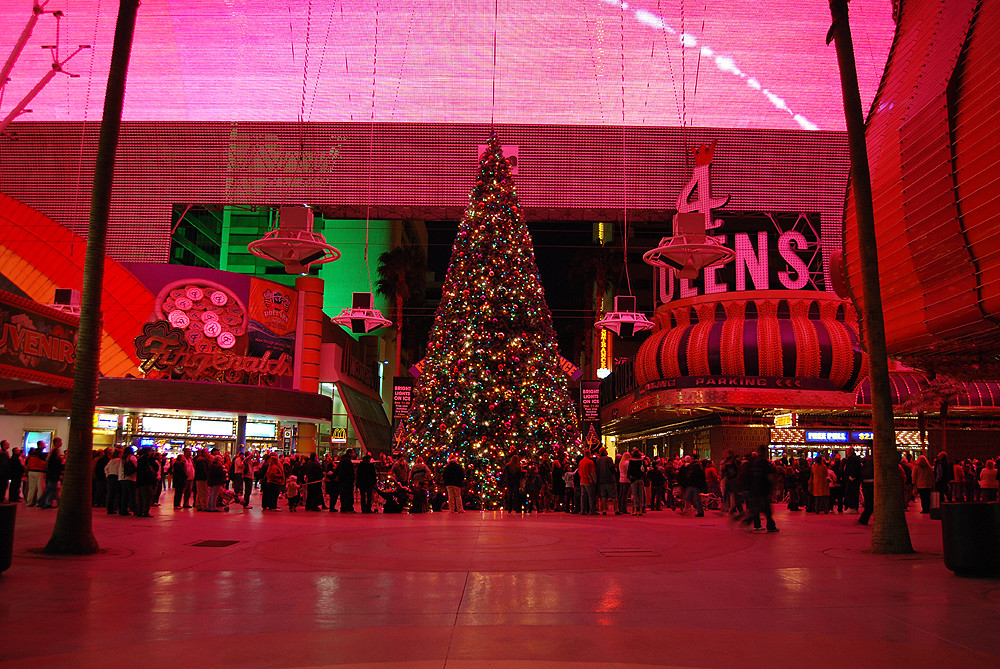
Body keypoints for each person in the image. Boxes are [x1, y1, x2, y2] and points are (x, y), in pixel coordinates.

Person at [740, 451, 779, 532]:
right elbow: (770, 476)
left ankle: (756, 524)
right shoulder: (764, 463)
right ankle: (769, 526)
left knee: (757, 508)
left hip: (755, 489)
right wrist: (774, 486)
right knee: (766, 509)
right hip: (763, 489)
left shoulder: (751, 465)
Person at [38, 438, 64, 509]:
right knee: (50, 489)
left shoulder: (53, 451)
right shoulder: (54, 451)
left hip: (52, 474)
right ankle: (42, 502)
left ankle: (47, 502)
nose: (61, 443)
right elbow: (54, 463)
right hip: (53, 474)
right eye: (60, 442)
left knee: (51, 489)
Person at [595, 448, 616, 515]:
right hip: (609, 479)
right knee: (613, 495)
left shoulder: (598, 460)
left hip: (601, 480)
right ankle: (616, 509)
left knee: (603, 496)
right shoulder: (609, 459)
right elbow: (612, 469)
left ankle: (604, 510)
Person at [626, 449, 647, 516]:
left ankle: (635, 510)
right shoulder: (641, 461)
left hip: (634, 479)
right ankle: (640, 510)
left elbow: (629, 471)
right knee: (641, 495)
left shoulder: (631, 462)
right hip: (640, 478)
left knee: (635, 495)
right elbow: (645, 469)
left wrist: (630, 478)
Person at [858, 451, 876, 526]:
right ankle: (864, 518)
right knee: (871, 503)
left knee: (869, 502)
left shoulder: (865, 461)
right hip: (872, 482)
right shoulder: (874, 461)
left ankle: (864, 518)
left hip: (866, 482)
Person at [119, 446, 138, 516]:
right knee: (132, 495)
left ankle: (123, 509)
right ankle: (134, 509)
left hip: (122, 478)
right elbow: (136, 466)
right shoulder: (132, 457)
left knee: (124, 495)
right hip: (131, 478)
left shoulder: (122, 458)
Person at [578, 450, 597, 515]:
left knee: (583, 496)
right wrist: (594, 480)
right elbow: (592, 472)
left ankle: (582, 510)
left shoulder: (581, 462)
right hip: (588, 481)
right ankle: (592, 510)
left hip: (582, 480)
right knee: (591, 496)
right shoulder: (590, 462)